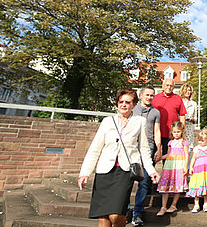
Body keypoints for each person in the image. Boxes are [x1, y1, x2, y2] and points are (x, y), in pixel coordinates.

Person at [78, 89, 159, 227]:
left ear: (134, 104)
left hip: (124, 172)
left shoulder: (140, 121)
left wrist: (151, 171)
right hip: (104, 172)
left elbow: (144, 149)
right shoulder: (107, 121)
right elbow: (95, 149)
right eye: (121, 102)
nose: (124, 105)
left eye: (128, 102)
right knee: (103, 216)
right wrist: (84, 173)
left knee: (116, 215)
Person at [130, 87, 161, 227]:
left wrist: (158, 148)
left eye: (152, 95)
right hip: (131, 147)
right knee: (127, 181)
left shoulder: (155, 112)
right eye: (147, 95)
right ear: (141, 95)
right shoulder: (132, 109)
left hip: (147, 148)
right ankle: (124, 212)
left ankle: (137, 212)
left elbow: (157, 131)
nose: (149, 97)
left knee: (144, 182)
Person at [156, 121, 189, 216]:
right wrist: (160, 157)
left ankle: (173, 205)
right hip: (169, 166)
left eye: (178, 132)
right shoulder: (170, 142)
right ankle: (163, 206)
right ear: (172, 132)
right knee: (165, 185)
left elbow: (186, 154)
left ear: (182, 131)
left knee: (177, 185)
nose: (176, 134)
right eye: (174, 132)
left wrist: (185, 166)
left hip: (179, 166)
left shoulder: (184, 142)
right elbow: (169, 154)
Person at [186, 128, 207, 212]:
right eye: (199, 140)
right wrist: (191, 167)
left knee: (206, 184)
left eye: (202, 141)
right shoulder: (197, 148)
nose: (200, 142)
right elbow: (193, 158)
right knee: (197, 184)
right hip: (198, 169)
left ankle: (205, 203)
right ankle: (196, 204)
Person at [153, 78, 186, 156]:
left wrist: (182, 130)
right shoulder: (155, 98)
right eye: (167, 85)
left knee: (169, 158)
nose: (169, 87)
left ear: (173, 87)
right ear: (163, 86)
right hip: (157, 132)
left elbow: (182, 115)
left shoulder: (178, 98)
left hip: (172, 134)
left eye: (171, 86)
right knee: (153, 157)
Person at [180, 83, 198, 149]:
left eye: (189, 90)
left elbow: (195, 118)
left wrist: (192, 119)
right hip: (181, 126)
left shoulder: (193, 104)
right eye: (186, 90)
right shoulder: (180, 101)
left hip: (189, 127)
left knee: (189, 146)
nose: (188, 92)